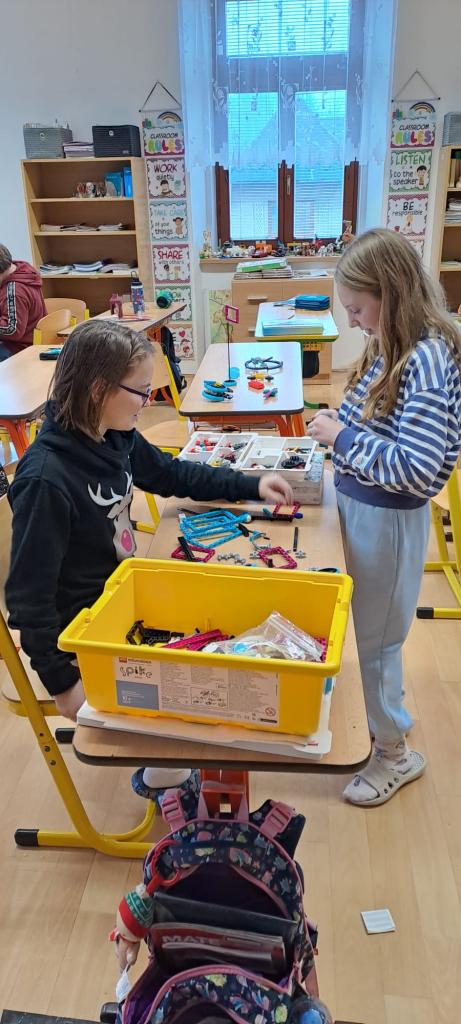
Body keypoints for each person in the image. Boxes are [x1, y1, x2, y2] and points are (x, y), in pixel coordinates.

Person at [6, 319, 293, 805]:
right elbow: (28, 601)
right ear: (99, 390)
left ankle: (170, 766)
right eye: (141, 391)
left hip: (126, 595)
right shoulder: (46, 479)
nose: (148, 400)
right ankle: (166, 776)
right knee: (202, 675)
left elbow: (170, 473)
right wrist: (63, 683)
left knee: (225, 619)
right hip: (89, 631)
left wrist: (249, 483)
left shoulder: (110, 434)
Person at [307, 227, 461, 806]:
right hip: (365, 506)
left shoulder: (425, 358)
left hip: (388, 519)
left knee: (376, 643)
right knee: (369, 633)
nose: (351, 321)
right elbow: (371, 422)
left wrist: (342, 437)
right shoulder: (391, 344)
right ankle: (387, 720)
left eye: (356, 308)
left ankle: (394, 754)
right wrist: (338, 428)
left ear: (390, 294)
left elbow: (418, 469)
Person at [0, 244, 46, 360]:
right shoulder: (22, 271)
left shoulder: (14, 291)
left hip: (19, 348)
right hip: (26, 340)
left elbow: (12, 330)